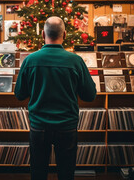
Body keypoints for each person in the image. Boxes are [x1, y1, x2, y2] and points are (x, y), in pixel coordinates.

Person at [14, 16, 97, 180]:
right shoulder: (76, 61)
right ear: (65, 35)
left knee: (38, 172)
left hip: (39, 126)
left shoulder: (30, 60)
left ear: (43, 35)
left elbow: (19, 94)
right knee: (66, 173)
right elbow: (90, 95)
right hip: (67, 126)